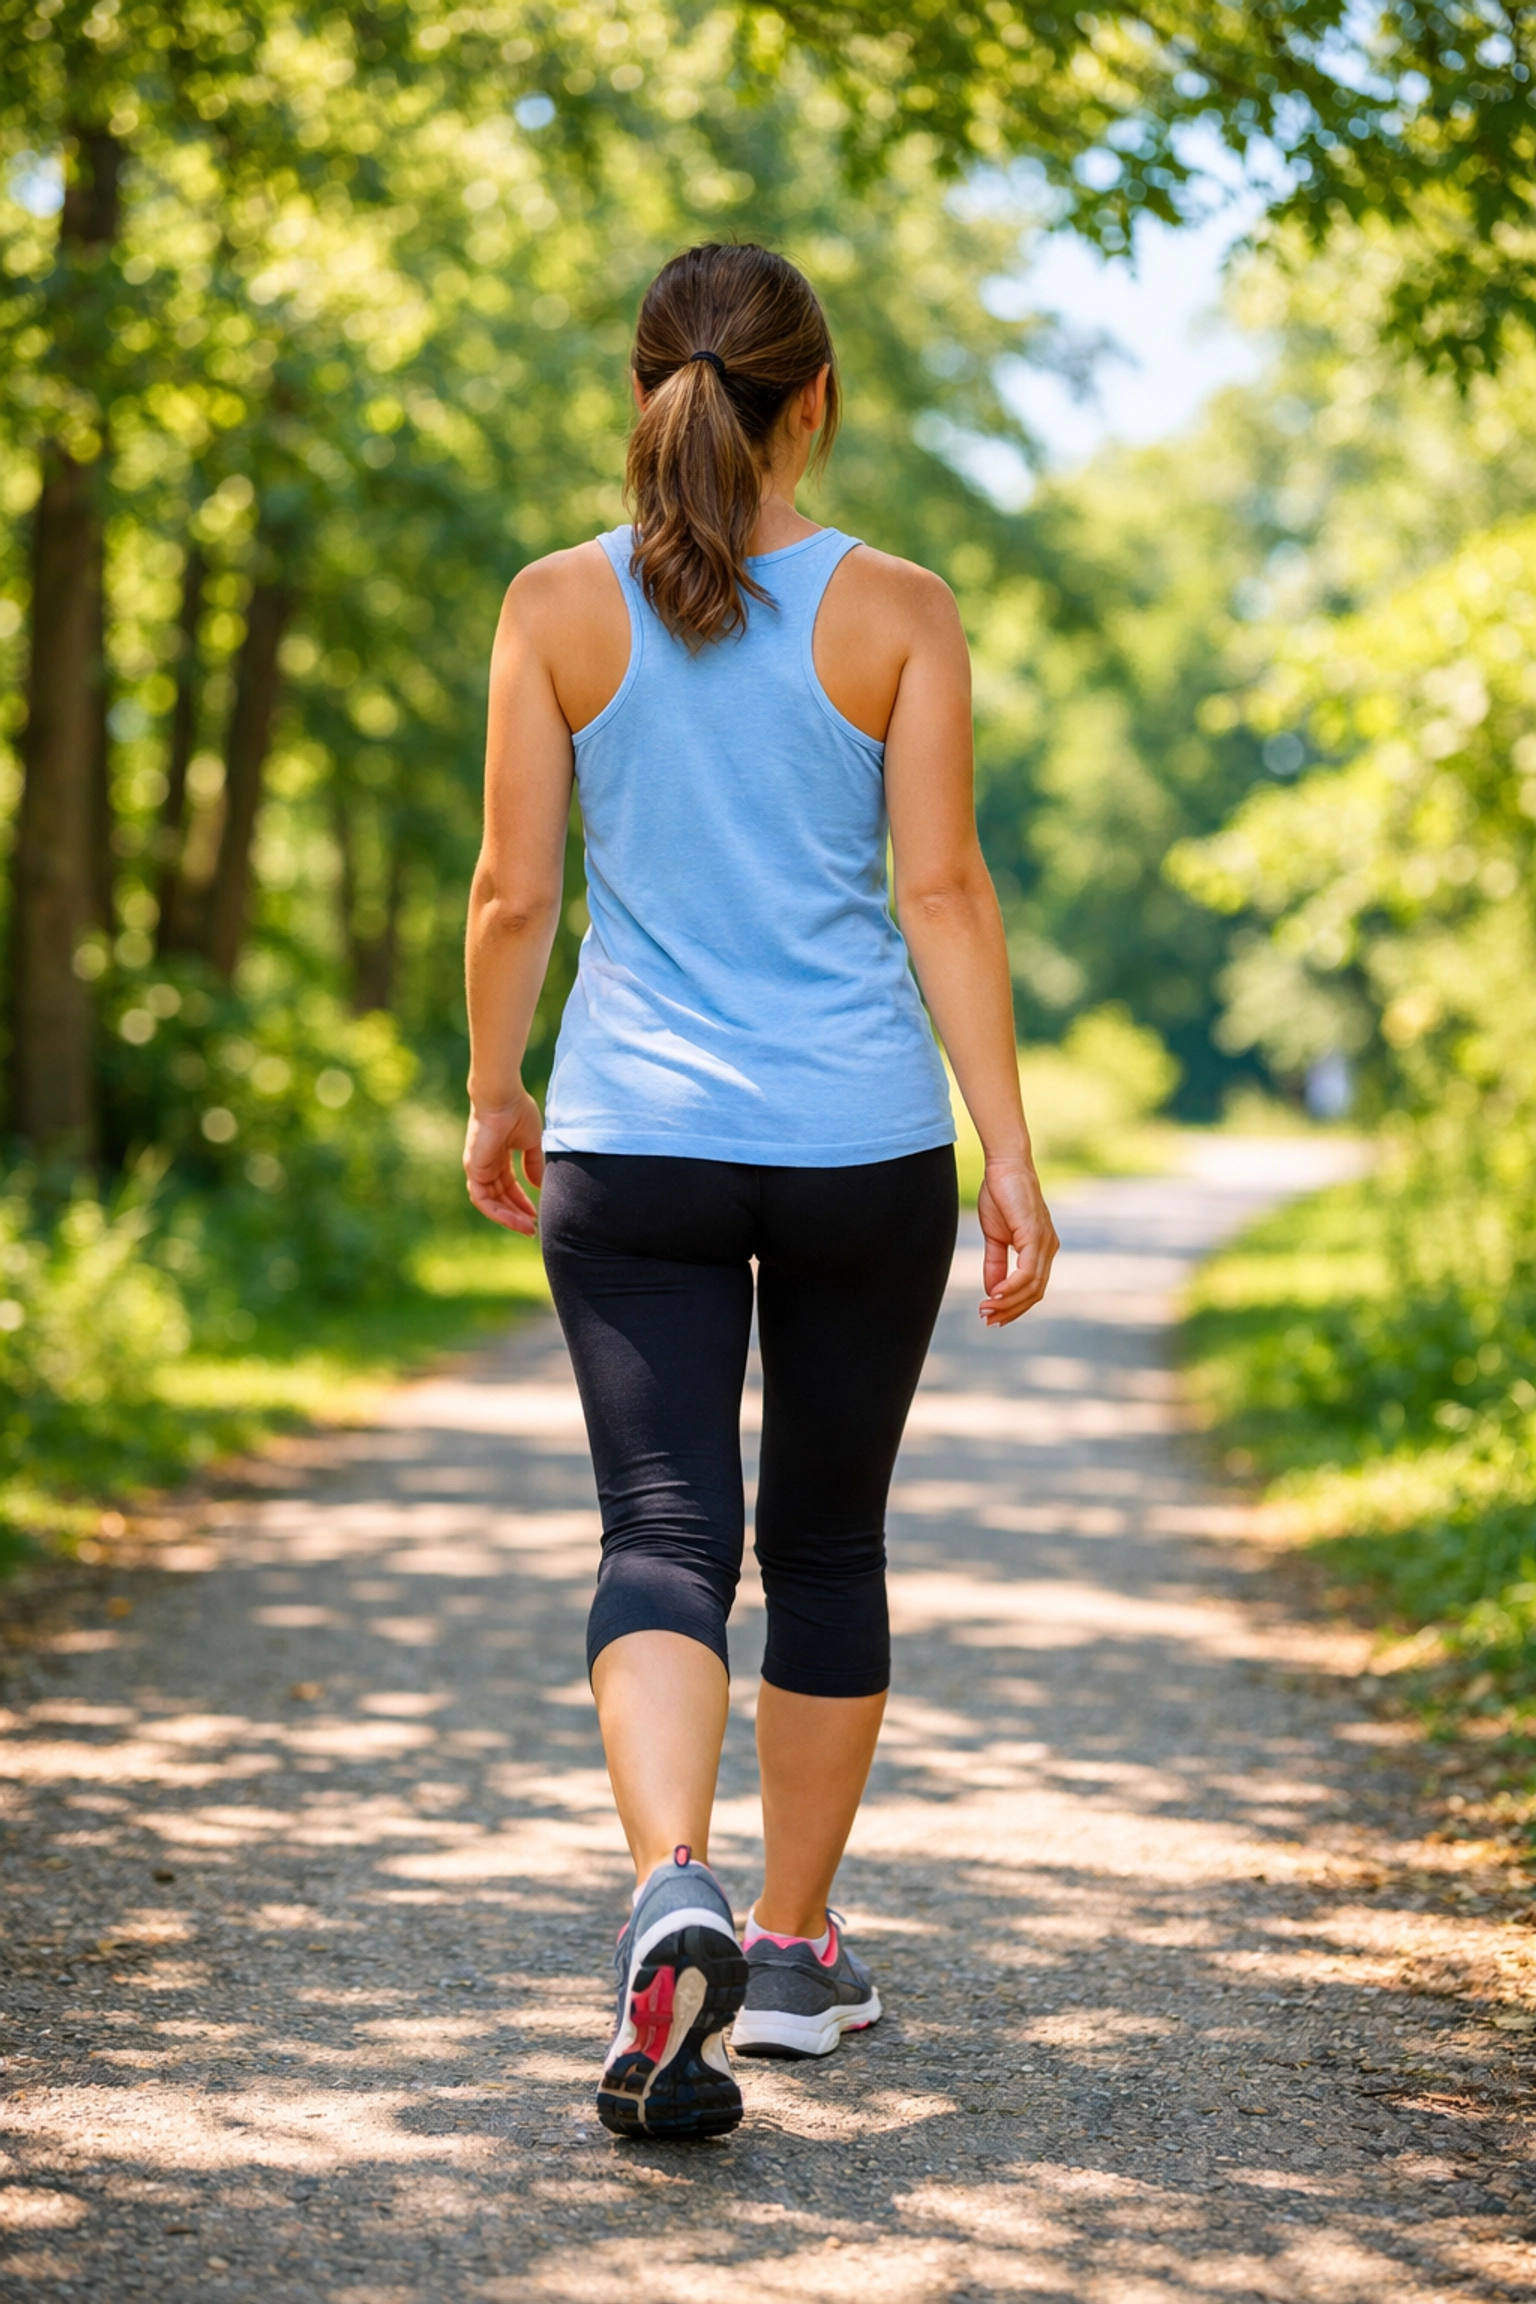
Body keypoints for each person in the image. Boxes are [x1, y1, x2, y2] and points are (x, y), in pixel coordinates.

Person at [463, 242, 1058, 2141]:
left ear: (644, 391)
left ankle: (674, 1890)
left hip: (630, 1139)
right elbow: (945, 895)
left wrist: (495, 1088)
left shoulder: (557, 605)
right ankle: (791, 1957)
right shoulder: (898, 607)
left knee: (659, 1529)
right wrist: (1011, 1153)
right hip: (855, 1143)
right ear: (815, 401)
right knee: (821, 1543)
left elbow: (512, 896)